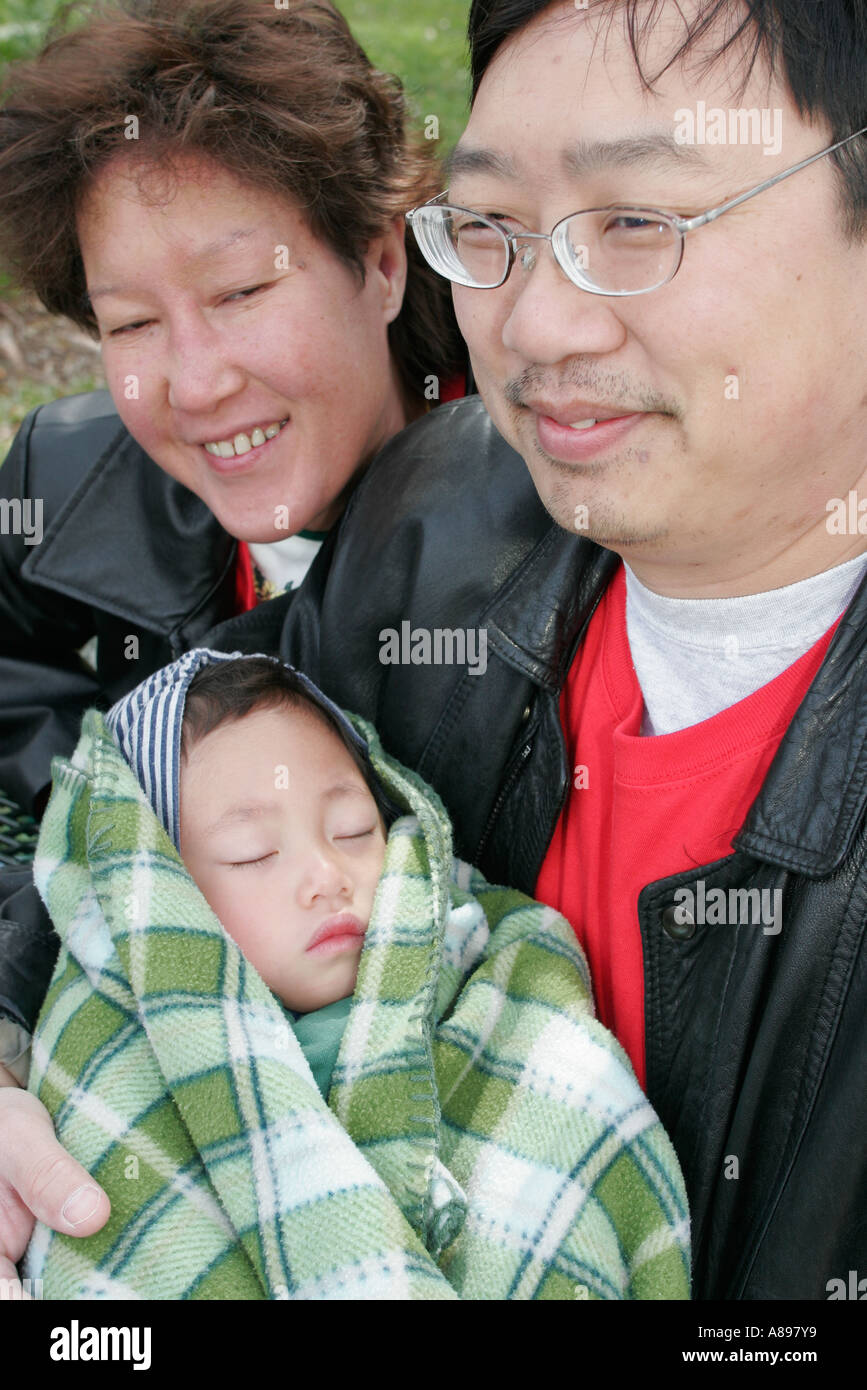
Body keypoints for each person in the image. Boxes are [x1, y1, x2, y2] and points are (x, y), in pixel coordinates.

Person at [4, 0, 867, 1305]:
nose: (532, 328)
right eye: (494, 233)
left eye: (636, 222)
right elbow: (131, 794)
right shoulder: (432, 533)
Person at [23, 649, 690, 1299]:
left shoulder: (495, 981)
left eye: (350, 830)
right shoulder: (115, 1056)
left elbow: (577, 1151)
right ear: (157, 893)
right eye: (252, 854)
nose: (326, 877)